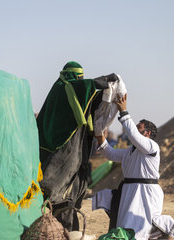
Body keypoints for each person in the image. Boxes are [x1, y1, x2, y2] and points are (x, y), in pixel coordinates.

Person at [37, 61, 118, 231]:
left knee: (69, 197)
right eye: (78, 77)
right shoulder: (61, 89)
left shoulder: (72, 91)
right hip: (59, 149)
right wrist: (104, 80)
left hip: (74, 149)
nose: (81, 80)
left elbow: (87, 100)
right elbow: (82, 87)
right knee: (56, 193)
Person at [94, 93, 164, 240]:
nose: (135, 130)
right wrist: (100, 136)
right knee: (125, 227)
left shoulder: (152, 146)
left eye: (139, 128)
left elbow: (133, 135)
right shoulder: (130, 151)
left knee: (141, 230)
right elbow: (111, 154)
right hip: (129, 192)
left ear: (147, 133)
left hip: (145, 194)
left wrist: (123, 111)